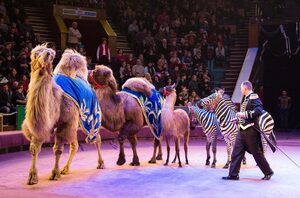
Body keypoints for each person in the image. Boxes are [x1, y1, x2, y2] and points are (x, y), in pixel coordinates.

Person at [222, 81, 274, 180]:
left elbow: (258, 111)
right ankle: (233, 174)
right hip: (242, 130)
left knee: (256, 153)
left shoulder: (253, 97)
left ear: (245, 88)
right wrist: (237, 119)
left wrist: (244, 114)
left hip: (251, 131)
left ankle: (268, 172)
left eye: (241, 88)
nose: (241, 90)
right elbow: (245, 115)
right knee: (236, 152)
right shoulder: (246, 99)